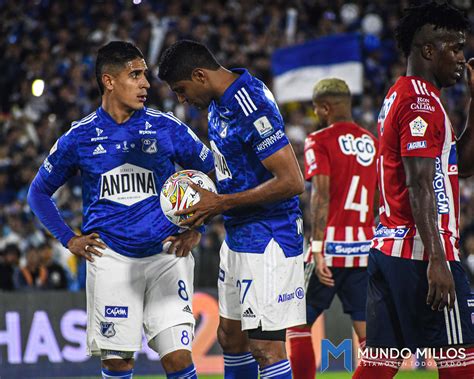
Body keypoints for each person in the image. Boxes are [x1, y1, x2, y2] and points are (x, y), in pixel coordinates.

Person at [27, 41, 214, 379]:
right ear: (109, 81)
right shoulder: (79, 137)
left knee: (178, 359)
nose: (146, 84)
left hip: (165, 256)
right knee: (117, 363)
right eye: (135, 75)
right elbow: (38, 193)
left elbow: (213, 170)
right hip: (111, 260)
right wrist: (69, 239)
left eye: (145, 75)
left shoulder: (165, 126)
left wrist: (196, 227)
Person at [158, 40, 306, 379]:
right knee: (230, 338)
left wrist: (220, 204)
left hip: (270, 237)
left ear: (199, 75)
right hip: (239, 234)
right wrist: (200, 216)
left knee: (266, 348)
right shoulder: (217, 104)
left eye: (182, 90)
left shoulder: (248, 102)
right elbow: (230, 174)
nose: (182, 99)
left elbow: (292, 181)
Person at [352, 2, 474, 378]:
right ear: (427, 50)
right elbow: (418, 182)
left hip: (390, 249)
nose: (461, 58)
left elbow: (462, 167)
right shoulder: (421, 102)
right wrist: (438, 260)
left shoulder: (404, 94)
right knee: (462, 362)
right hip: (422, 251)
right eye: (454, 48)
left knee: (379, 365)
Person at [287, 78, 377, 378]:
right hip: (365, 250)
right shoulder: (371, 142)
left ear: (325, 108)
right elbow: (378, 199)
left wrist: (317, 247)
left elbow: (321, 195)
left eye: (315, 109)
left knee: (297, 326)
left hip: (329, 249)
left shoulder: (320, 140)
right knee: (369, 339)